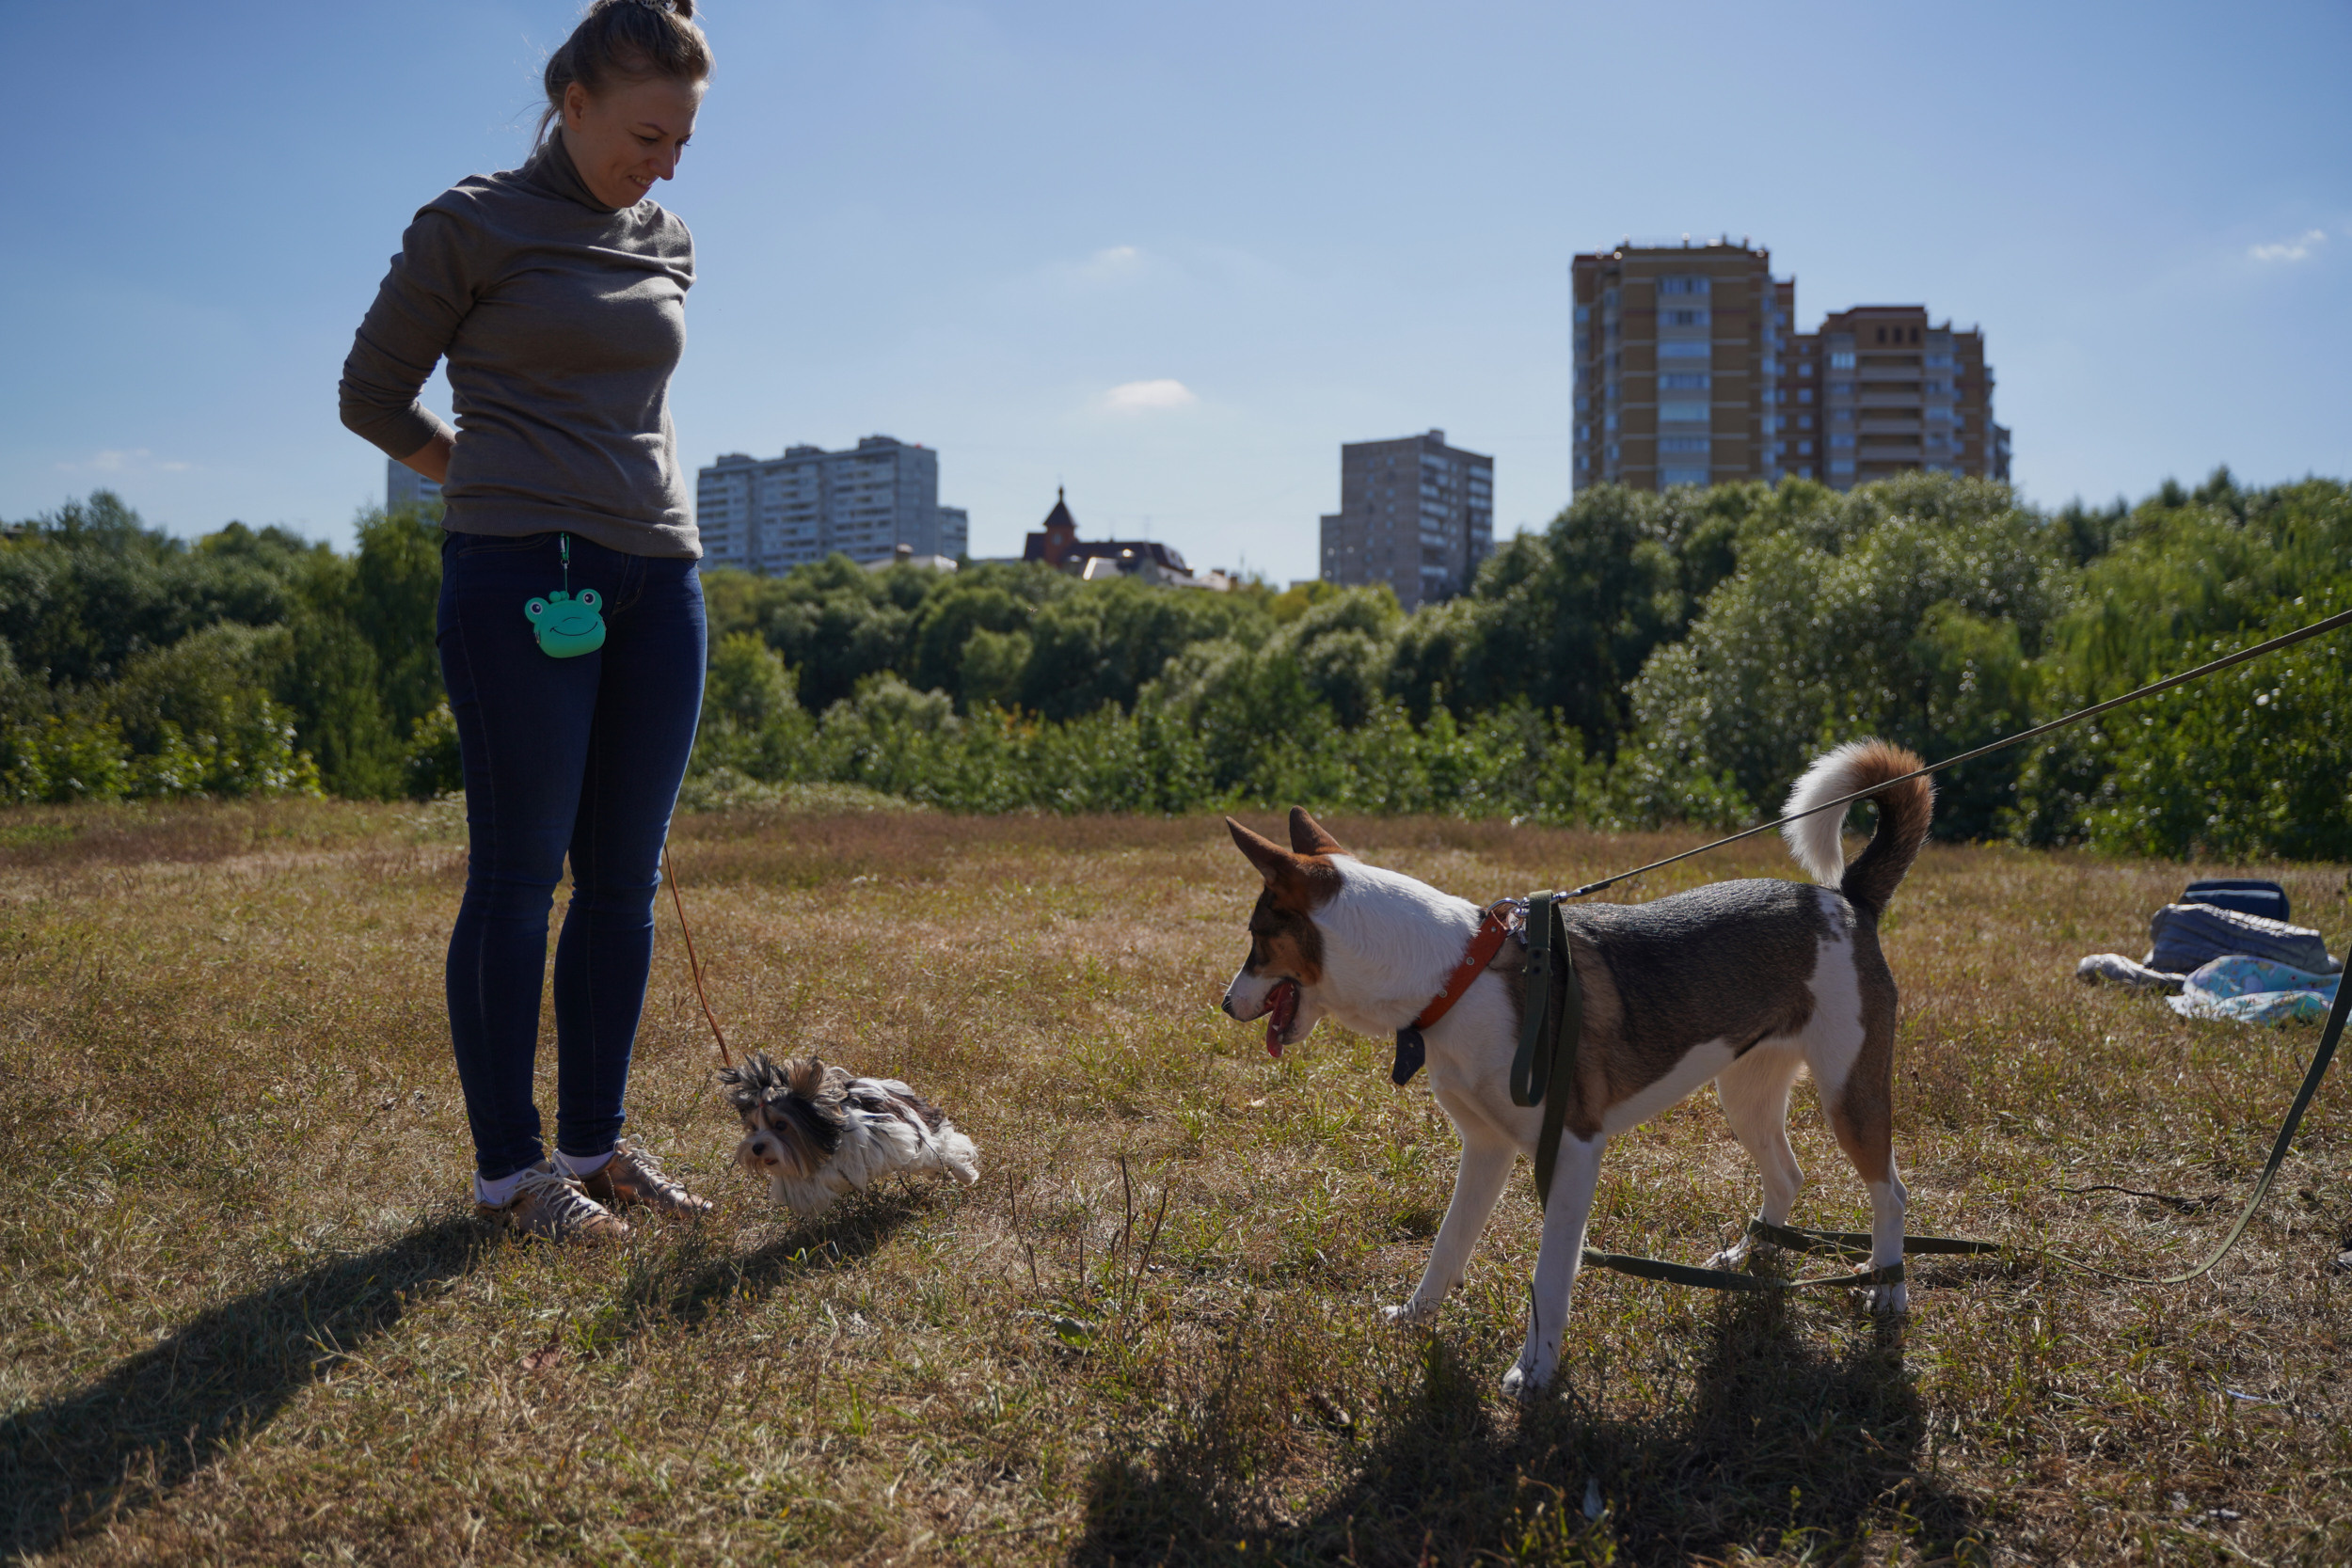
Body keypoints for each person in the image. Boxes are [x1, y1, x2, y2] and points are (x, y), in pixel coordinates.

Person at [339, 0, 718, 1241]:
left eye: (680, 143)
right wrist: (481, 477)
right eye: (645, 135)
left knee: (622, 882)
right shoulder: (471, 224)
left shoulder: (667, 236)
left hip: (660, 581)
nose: (660, 165)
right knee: (517, 879)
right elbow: (369, 394)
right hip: (518, 578)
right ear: (574, 102)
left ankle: (597, 1149)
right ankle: (512, 1175)